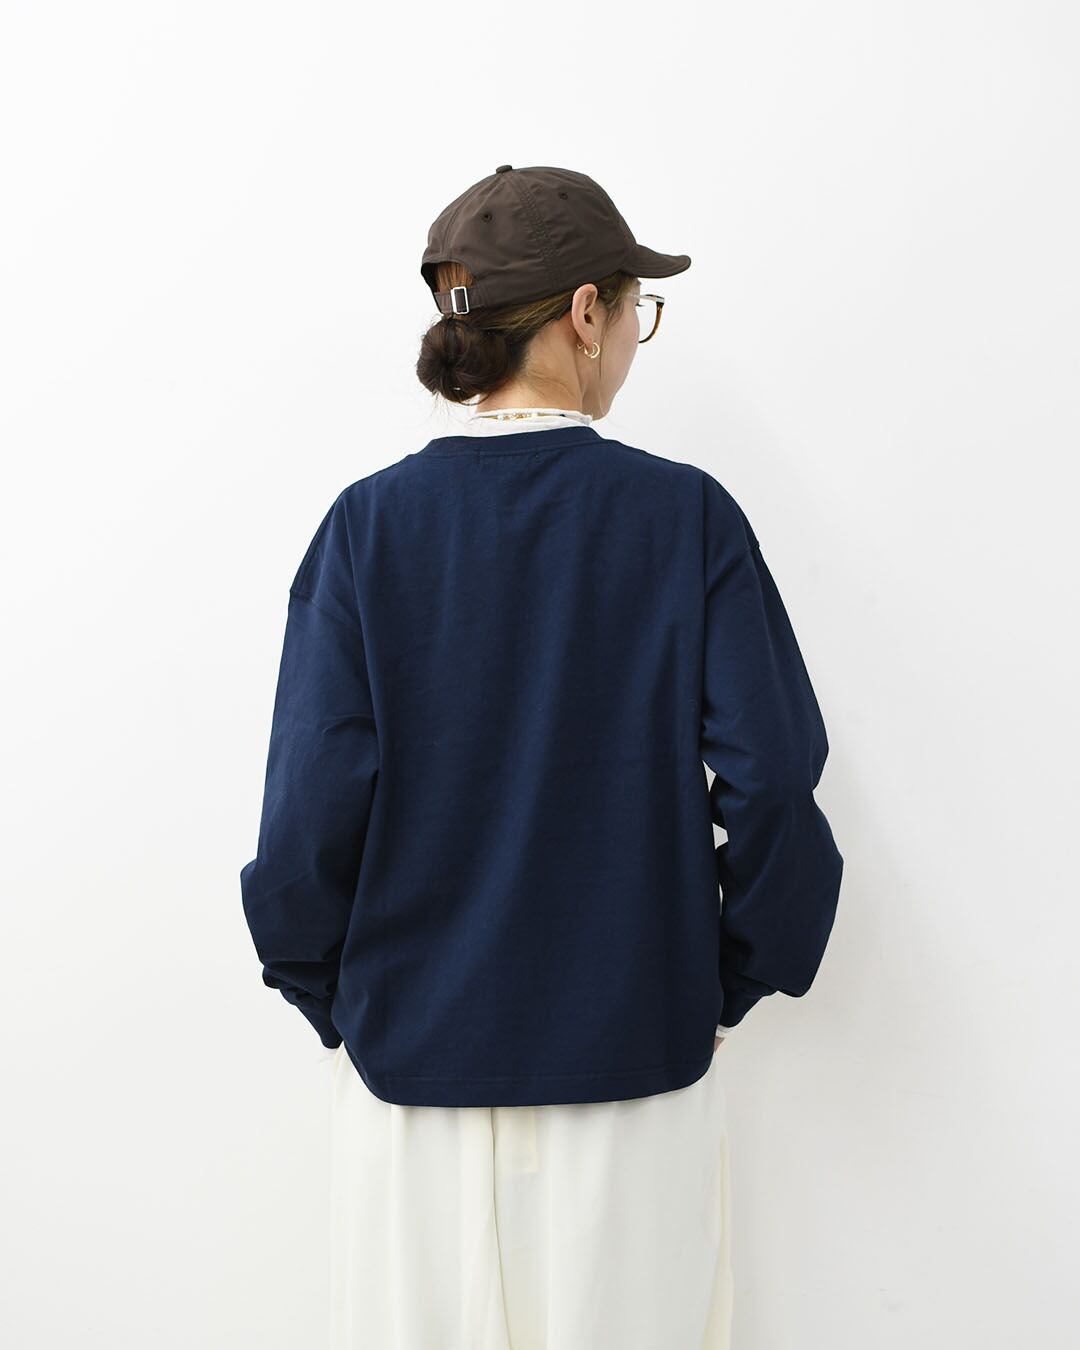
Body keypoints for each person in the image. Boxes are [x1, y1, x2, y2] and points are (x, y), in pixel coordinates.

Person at [239, 163, 844, 1350]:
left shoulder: (367, 529)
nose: (632, 340)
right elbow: (771, 780)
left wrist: (333, 999)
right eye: (634, 310)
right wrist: (727, 980)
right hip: (635, 1080)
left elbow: (308, 818)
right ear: (583, 313)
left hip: (411, 1086)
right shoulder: (686, 520)